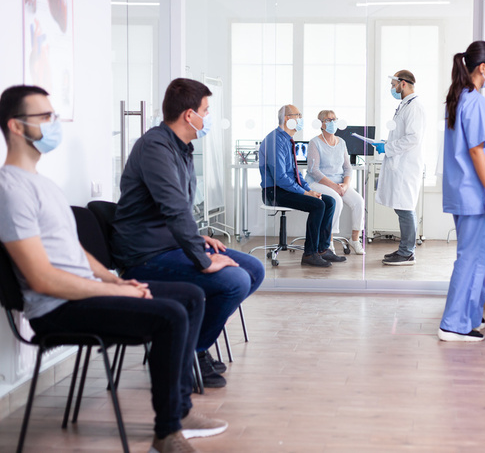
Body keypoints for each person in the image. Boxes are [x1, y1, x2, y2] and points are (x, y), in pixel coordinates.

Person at [0, 85, 227, 453]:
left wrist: (111, 277)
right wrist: (113, 290)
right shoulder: (10, 190)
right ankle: (167, 431)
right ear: (15, 126)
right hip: (55, 308)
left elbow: (70, 249)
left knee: (191, 296)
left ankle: (181, 410)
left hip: (84, 291)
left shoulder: (43, 185)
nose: (54, 124)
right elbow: (42, 278)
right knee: (169, 314)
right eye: (44, 118)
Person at [111, 78, 265, 388]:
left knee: (253, 268)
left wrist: (198, 239)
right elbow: (173, 208)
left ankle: (191, 345)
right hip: (145, 255)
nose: (207, 118)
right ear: (188, 115)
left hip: (169, 245)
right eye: (205, 111)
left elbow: (178, 208)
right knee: (233, 280)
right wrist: (203, 260)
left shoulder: (181, 148)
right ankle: (188, 352)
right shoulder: (155, 147)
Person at [437, 41, 485, 343]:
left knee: (474, 257)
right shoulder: (475, 102)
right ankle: (453, 324)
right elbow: (477, 152)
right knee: (471, 258)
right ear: (483, 67)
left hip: (462, 192)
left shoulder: (460, 98)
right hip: (475, 194)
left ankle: (469, 318)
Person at [259, 104, 346, 267]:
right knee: (318, 205)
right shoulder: (275, 140)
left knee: (329, 201)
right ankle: (309, 254)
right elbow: (280, 177)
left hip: (285, 188)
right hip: (274, 191)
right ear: (287, 119)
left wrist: (309, 190)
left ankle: (322, 249)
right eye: (297, 115)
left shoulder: (287, 139)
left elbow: (296, 174)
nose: (301, 119)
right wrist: (305, 194)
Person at [374, 70, 426, 266]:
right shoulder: (405, 105)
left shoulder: (415, 107)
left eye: (393, 84)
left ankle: (407, 252)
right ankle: (405, 249)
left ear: (403, 84)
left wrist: (387, 147)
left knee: (405, 208)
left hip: (407, 166)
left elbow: (413, 138)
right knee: (402, 207)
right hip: (400, 164)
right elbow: (402, 136)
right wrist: (387, 143)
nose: (392, 88)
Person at [305, 110, 365, 255]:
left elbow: (348, 168)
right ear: (321, 124)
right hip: (318, 182)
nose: (332, 122)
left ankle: (355, 240)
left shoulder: (341, 142)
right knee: (336, 199)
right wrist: (334, 186)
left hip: (339, 183)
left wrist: (345, 185)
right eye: (328, 120)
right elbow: (314, 171)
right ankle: (328, 242)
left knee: (359, 201)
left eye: (334, 119)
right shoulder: (315, 142)